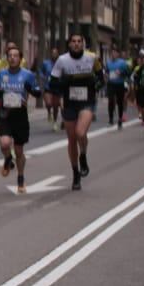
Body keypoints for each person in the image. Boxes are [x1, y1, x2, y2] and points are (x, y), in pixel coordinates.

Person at [0, 44, 42, 194]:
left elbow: (37, 91)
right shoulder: (1, 74)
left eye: (15, 56)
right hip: (5, 114)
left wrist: (31, 89)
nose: (12, 58)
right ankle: (7, 159)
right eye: (9, 56)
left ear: (20, 59)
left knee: (19, 150)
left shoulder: (27, 75)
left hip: (20, 115)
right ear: (6, 59)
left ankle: (21, 178)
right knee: (4, 143)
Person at [49, 33, 97, 191]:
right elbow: (53, 82)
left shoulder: (92, 58)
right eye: (73, 42)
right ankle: (76, 174)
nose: (76, 44)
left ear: (83, 44)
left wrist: (95, 84)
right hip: (70, 103)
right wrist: (63, 87)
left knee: (80, 133)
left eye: (79, 41)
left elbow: (102, 77)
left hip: (86, 101)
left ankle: (83, 155)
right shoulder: (62, 60)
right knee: (71, 140)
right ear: (69, 44)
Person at [104, 47, 131, 130]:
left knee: (120, 102)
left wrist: (121, 73)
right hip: (111, 84)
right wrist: (106, 76)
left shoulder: (122, 63)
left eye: (115, 53)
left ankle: (120, 119)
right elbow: (106, 72)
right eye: (112, 53)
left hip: (120, 84)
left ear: (118, 54)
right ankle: (111, 119)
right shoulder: (108, 63)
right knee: (111, 101)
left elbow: (128, 72)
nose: (113, 54)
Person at [40, 51, 59, 131]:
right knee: (48, 103)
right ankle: (48, 112)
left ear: (58, 54)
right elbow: (41, 71)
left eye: (55, 53)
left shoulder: (60, 63)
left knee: (55, 106)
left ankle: (54, 122)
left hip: (57, 87)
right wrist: (43, 76)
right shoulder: (46, 63)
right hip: (48, 86)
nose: (54, 54)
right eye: (52, 53)